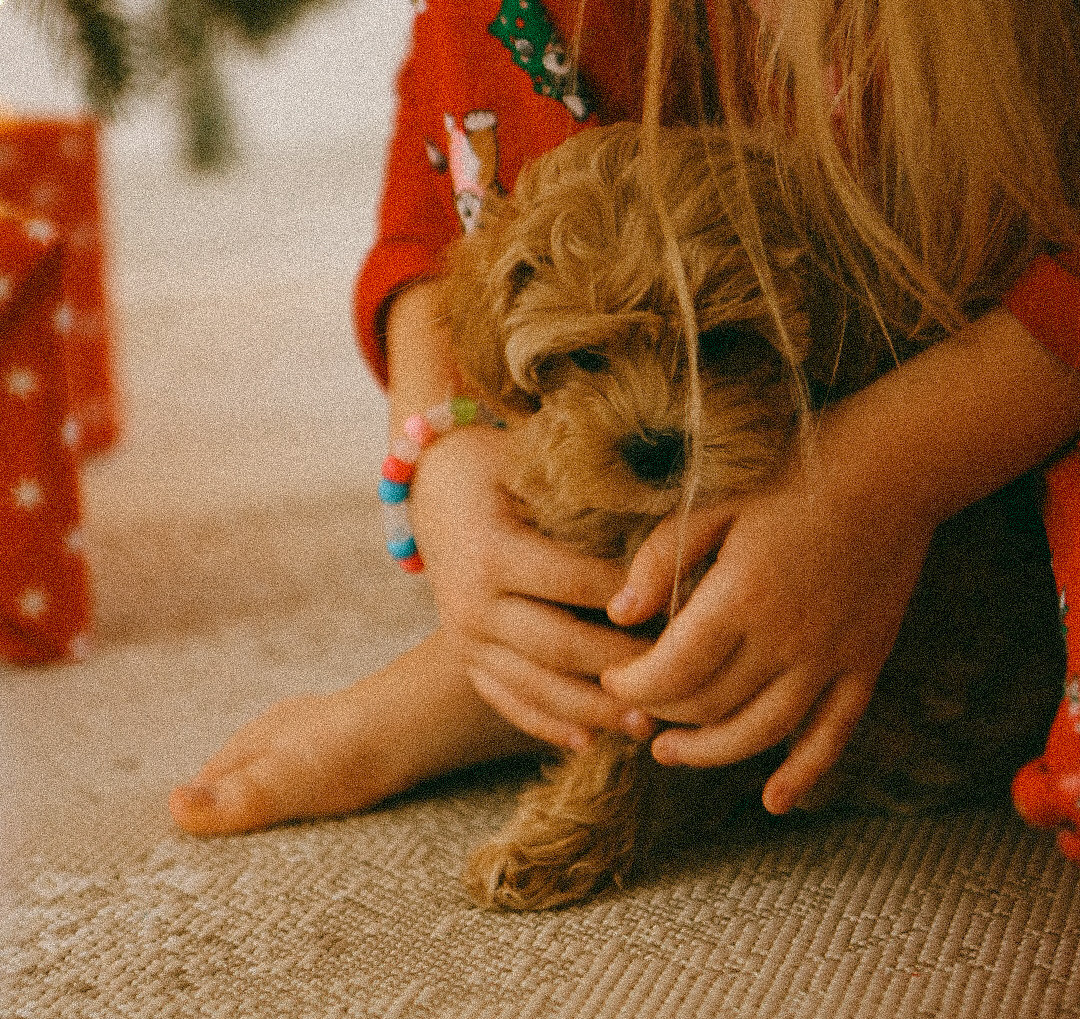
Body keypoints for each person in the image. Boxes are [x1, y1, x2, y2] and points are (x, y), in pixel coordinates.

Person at [170, 0, 1080, 859]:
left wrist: (881, 475)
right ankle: (571, 648)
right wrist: (444, 438)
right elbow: (441, 168)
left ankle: (631, 655)